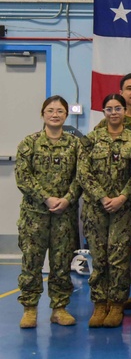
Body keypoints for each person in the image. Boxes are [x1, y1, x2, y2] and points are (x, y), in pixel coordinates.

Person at [15, 95, 83, 329]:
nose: (55, 114)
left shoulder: (75, 145)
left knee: (62, 264)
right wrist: (46, 198)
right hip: (35, 216)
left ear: (66, 115)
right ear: (43, 114)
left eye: (60, 111)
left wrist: (67, 199)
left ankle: (59, 308)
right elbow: (23, 177)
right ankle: (30, 308)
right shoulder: (29, 143)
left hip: (64, 215)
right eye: (50, 110)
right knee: (31, 263)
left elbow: (80, 177)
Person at [77, 93, 131, 328]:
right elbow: (83, 172)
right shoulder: (91, 140)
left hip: (123, 209)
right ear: (103, 112)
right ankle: (99, 303)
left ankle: (116, 305)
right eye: (109, 109)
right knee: (99, 257)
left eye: (118, 108)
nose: (114, 112)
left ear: (124, 111)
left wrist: (122, 197)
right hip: (97, 209)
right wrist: (103, 197)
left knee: (120, 258)